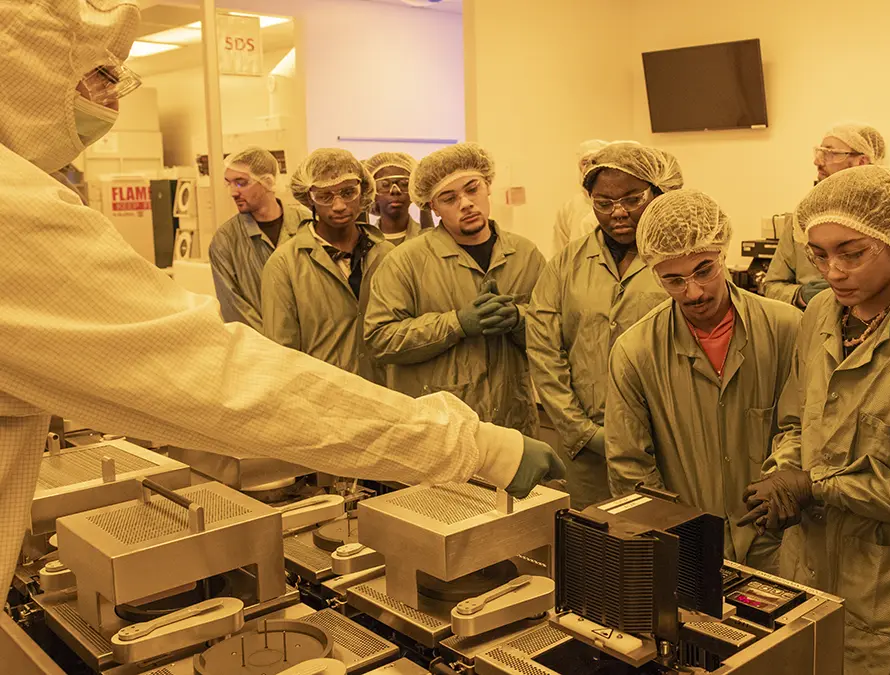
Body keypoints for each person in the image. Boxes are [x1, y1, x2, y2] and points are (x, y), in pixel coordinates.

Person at [0, 0, 564, 589]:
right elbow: (227, 371)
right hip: (346, 422)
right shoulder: (17, 209)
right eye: (101, 76)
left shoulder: (486, 252)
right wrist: (471, 441)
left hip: (372, 416)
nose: (112, 104)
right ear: (25, 67)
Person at [740, 165, 890, 675]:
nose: (832, 272)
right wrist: (782, 477)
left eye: (852, 253)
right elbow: (796, 420)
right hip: (810, 562)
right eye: (818, 255)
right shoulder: (820, 313)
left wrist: (817, 487)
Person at [606, 189, 800, 571]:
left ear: (722, 253)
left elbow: (805, 426)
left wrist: (780, 485)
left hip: (781, 539)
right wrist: (672, 538)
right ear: (654, 273)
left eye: (704, 270)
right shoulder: (635, 351)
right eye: (673, 280)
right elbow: (630, 467)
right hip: (688, 546)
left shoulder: (786, 329)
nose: (693, 292)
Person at [527, 143, 682, 508]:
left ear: (657, 191)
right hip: (586, 449)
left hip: (664, 439)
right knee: (595, 544)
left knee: (661, 540)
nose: (619, 213)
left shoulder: (677, 259)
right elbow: (544, 351)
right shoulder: (567, 263)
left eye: (632, 199)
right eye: (603, 202)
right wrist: (581, 431)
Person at [365, 143, 546, 437]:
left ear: (487, 186)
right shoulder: (405, 262)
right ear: (432, 206)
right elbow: (380, 339)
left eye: (472, 189)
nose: (466, 203)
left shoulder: (525, 255)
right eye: (449, 198)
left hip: (514, 423)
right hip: (441, 429)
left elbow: (555, 333)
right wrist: (456, 323)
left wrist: (519, 320)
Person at [761, 123, 890, 306]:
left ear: (862, 161)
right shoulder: (803, 221)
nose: (818, 161)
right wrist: (800, 295)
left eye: (830, 153)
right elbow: (770, 287)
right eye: (819, 255)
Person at [260, 149, 393, 383]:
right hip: (325, 401)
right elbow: (282, 353)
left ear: (362, 191)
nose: (339, 205)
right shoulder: (285, 266)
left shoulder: (386, 255)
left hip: (387, 395)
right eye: (325, 196)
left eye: (348, 192)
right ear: (309, 198)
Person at [209, 146, 308, 331]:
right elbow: (235, 310)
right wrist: (277, 346)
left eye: (241, 182)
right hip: (263, 352)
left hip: (314, 351)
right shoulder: (226, 241)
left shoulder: (307, 225)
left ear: (267, 182)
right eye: (228, 183)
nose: (232, 192)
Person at [362, 151, 434, 245]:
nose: (395, 191)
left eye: (404, 184)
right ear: (372, 192)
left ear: (414, 191)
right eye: (385, 185)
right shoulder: (362, 242)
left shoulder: (430, 238)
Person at [551, 139, 608, 253]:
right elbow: (558, 253)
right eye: (585, 162)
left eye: (595, 161)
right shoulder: (569, 208)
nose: (589, 167)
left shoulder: (618, 206)